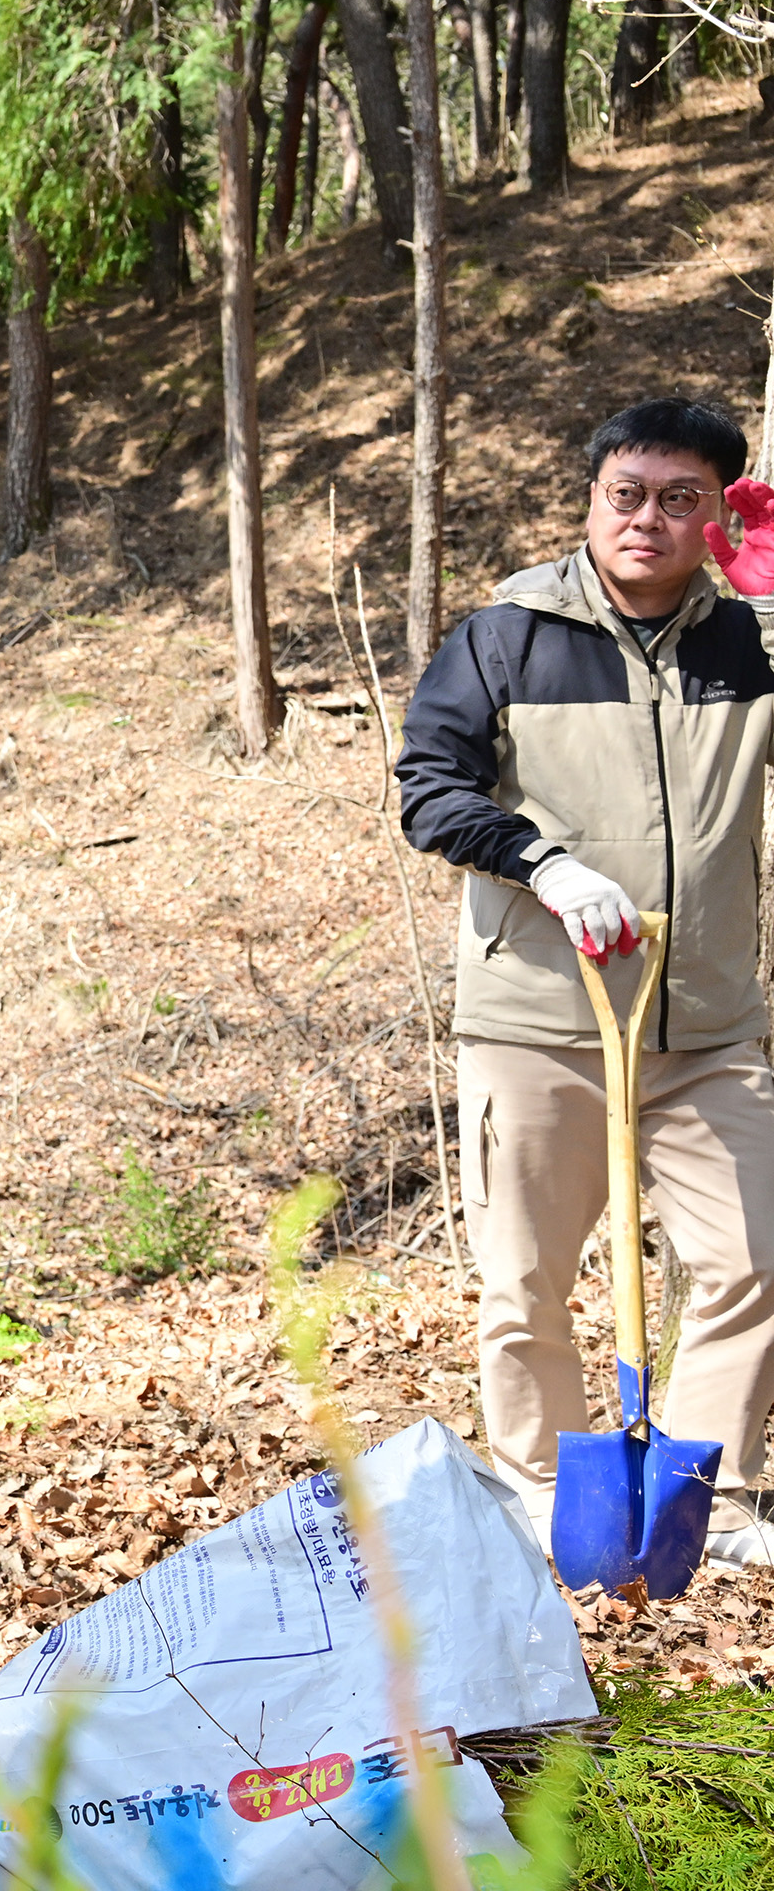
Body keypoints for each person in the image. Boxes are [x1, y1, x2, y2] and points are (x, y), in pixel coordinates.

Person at [397, 397, 774, 1570]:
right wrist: (544, 862)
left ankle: (706, 1501)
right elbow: (428, 788)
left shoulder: (753, 640)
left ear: (715, 513)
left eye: (680, 499)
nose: (650, 520)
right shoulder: (508, 635)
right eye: (629, 494)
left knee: (755, 1255)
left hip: (708, 1019)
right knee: (527, 1278)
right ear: (592, 498)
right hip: (541, 1018)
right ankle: (551, 1490)